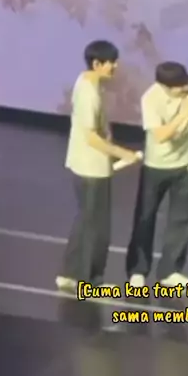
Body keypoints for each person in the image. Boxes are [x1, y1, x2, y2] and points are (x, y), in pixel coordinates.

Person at [126, 62, 188, 288]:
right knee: (145, 217)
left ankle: (170, 270)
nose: (186, 89)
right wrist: (184, 113)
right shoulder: (151, 98)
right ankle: (138, 270)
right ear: (164, 86)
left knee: (184, 218)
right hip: (156, 165)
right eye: (179, 87)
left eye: (186, 83)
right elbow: (160, 136)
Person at [56, 40, 141, 291]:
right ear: (96, 63)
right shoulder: (89, 93)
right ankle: (89, 280)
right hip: (91, 167)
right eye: (110, 62)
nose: (115, 66)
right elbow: (91, 137)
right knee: (97, 227)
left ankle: (70, 274)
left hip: (85, 164)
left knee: (85, 221)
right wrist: (123, 153)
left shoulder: (87, 83)